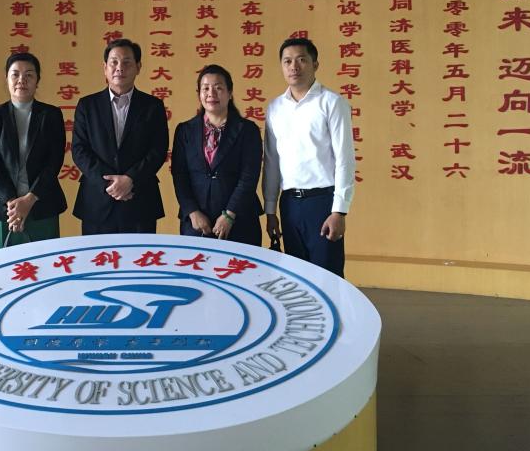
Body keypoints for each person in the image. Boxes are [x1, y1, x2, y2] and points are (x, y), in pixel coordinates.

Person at [263, 37, 355, 277]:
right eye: (287, 61)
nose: (294, 67)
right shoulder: (275, 108)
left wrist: (339, 211)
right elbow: (271, 162)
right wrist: (270, 210)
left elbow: (344, 159)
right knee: (297, 280)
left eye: (301, 60)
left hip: (322, 203)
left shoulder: (332, 103)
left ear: (315, 64)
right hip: (289, 205)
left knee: (328, 278)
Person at [71, 38, 169, 235]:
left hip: (139, 201)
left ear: (138, 67)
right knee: (97, 255)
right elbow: (80, 150)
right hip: (97, 202)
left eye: (127, 62)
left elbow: (158, 150)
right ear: (105, 68)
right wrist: (109, 184)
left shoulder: (153, 106)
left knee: (140, 255)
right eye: (114, 62)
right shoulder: (87, 105)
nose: (119, 68)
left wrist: (131, 179)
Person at [0, 53, 67, 250]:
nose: (22, 80)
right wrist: (13, 203)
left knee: (44, 262)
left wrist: (29, 199)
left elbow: (54, 161)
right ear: (7, 79)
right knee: (1, 265)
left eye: (29, 75)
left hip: (42, 205)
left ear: (37, 80)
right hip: (2, 208)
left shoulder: (51, 115)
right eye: (15, 74)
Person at [171, 65, 263, 246]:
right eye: (205, 88)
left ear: (230, 93)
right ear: (199, 94)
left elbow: (249, 176)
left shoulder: (247, 130)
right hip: (197, 223)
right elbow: (179, 174)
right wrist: (192, 211)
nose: (211, 94)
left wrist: (229, 214)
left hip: (240, 220)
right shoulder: (185, 130)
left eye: (218, 88)